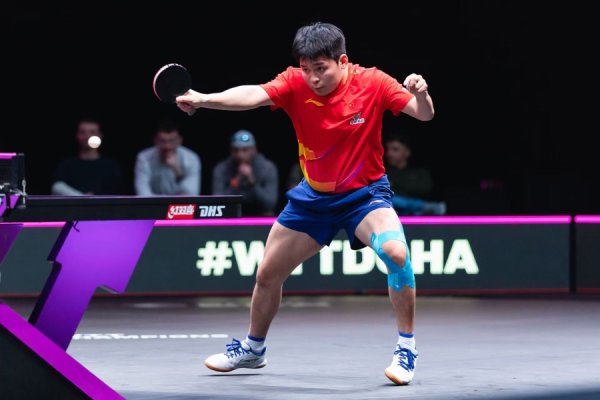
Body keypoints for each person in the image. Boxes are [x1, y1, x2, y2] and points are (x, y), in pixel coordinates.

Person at [175, 21, 434, 385]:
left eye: (321, 68)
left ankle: (406, 348)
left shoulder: (373, 82)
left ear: (342, 61)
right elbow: (254, 95)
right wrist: (204, 99)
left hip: (365, 196)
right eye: (306, 68)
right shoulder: (295, 82)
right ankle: (253, 349)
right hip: (313, 198)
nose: (312, 77)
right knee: (267, 274)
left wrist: (422, 93)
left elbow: (424, 114)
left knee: (396, 254)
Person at [212, 130, 279, 216]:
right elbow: (217, 203)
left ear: (254, 149)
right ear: (230, 150)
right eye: (235, 150)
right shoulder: (221, 168)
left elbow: (270, 204)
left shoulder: (268, 168)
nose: (240, 155)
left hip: (260, 214)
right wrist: (236, 180)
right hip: (230, 215)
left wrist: (252, 183)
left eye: (245, 150)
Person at [51, 116, 124, 195]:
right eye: (83, 132)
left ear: (100, 135)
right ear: (77, 135)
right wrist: (82, 197)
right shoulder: (66, 165)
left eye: (92, 132)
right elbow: (57, 187)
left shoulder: (111, 166)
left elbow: (117, 192)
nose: (87, 136)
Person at [384, 133, 446, 216]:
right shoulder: (383, 172)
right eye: (388, 149)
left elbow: (426, 189)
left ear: (407, 152)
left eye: (395, 149)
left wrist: (395, 184)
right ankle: (422, 207)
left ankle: (418, 208)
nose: (389, 153)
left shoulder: (419, 172)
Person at [134, 119, 201, 196]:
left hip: (179, 204)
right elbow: (143, 194)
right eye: (162, 141)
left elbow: (191, 194)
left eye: (171, 141)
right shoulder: (144, 158)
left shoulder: (191, 158)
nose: (167, 146)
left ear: (180, 140)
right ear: (155, 140)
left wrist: (177, 170)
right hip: (153, 204)